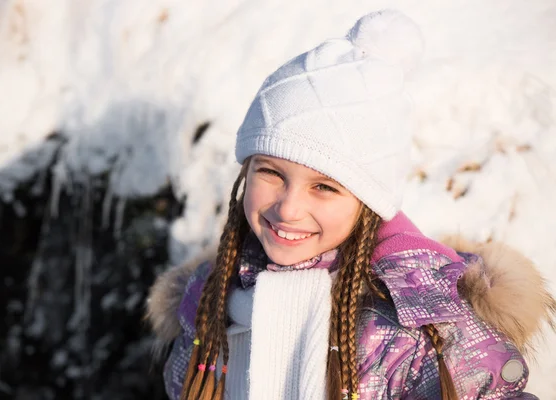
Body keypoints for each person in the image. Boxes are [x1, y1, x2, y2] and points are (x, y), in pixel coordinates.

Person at [146, 9, 555, 400]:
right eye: (270, 172)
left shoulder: (426, 327)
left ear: (369, 202)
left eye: (324, 187)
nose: (288, 209)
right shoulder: (209, 301)